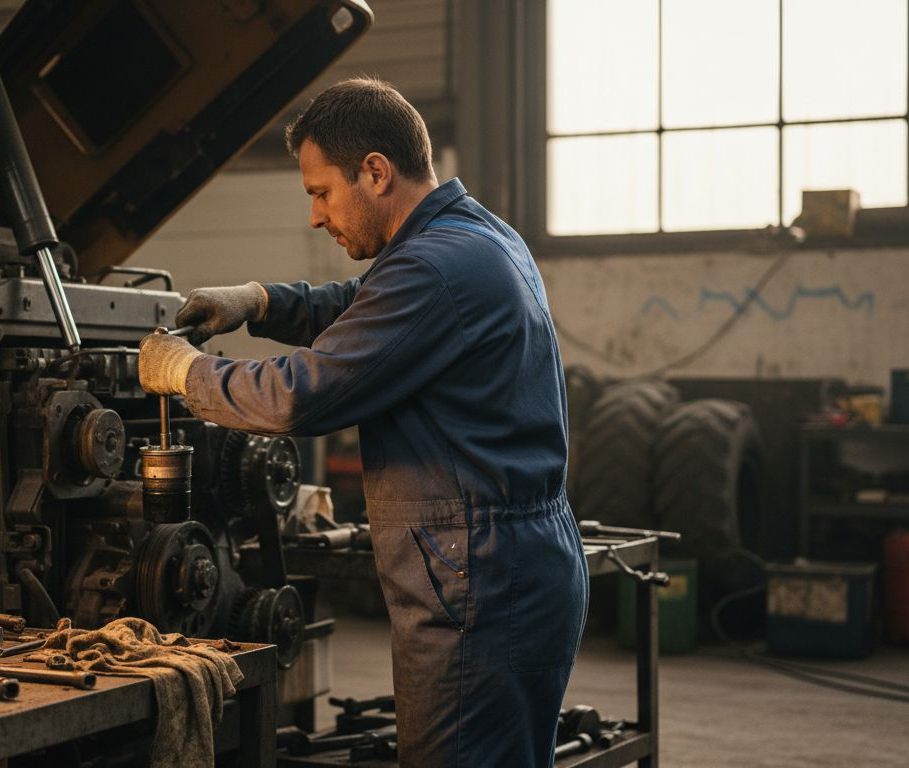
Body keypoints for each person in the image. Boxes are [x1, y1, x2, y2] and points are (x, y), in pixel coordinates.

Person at [138, 78, 588, 767]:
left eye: (322, 192)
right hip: (517, 558)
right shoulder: (476, 236)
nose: (316, 216)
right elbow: (364, 303)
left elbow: (298, 397)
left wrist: (186, 373)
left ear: (376, 172)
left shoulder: (435, 267)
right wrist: (260, 302)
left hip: (480, 577)